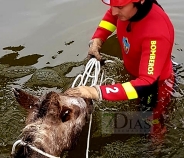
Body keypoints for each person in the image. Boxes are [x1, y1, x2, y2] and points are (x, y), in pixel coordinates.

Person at [65, 0, 175, 137]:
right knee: (119, 122)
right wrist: (98, 39)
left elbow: (147, 83)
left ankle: (156, 148)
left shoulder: (156, 34)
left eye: (119, 7)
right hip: (135, 75)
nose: (114, 11)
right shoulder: (125, 12)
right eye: (112, 5)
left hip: (155, 87)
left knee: (150, 127)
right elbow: (111, 17)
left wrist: (96, 91)